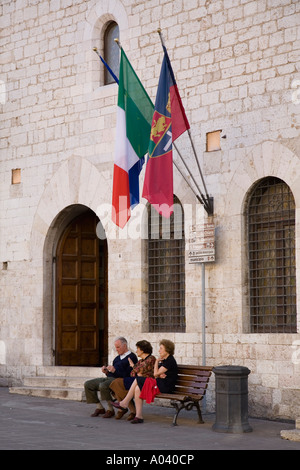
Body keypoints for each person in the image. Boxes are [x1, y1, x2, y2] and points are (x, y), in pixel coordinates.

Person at [112, 339, 178, 423]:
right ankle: (139, 416)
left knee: (138, 380)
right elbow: (157, 373)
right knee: (137, 389)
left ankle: (124, 402)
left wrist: (157, 363)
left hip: (165, 387)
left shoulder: (169, 361)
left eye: (161, 348)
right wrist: (159, 373)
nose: (159, 350)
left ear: (167, 349)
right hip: (160, 383)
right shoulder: (165, 360)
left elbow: (155, 374)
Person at [84, 337, 137, 418]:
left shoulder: (132, 357)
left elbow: (129, 375)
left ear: (125, 346)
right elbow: (111, 374)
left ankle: (110, 409)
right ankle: (99, 407)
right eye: (116, 347)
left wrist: (115, 370)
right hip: (110, 378)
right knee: (88, 384)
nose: (116, 349)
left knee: (103, 386)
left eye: (118, 347)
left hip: (120, 380)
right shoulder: (117, 358)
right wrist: (107, 372)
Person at [109, 340, 156, 420]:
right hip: (137, 380)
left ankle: (124, 404)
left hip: (146, 382)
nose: (136, 350)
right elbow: (133, 373)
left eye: (138, 348)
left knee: (116, 383)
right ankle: (126, 405)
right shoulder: (141, 361)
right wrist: (136, 370)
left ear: (142, 350)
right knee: (115, 384)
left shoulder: (151, 358)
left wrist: (134, 367)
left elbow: (140, 370)